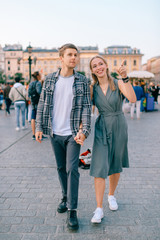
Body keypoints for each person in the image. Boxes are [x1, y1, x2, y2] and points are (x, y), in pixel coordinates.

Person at [35, 43, 91, 230]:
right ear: (61, 58)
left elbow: (85, 107)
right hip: (54, 131)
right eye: (70, 54)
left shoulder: (82, 80)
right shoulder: (50, 79)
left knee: (72, 169)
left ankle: (72, 210)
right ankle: (65, 196)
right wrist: (38, 127)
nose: (74, 57)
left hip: (73, 133)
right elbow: (42, 104)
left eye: (76, 54)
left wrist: (84, 131)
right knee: (60, 167)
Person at [89, 55, 136, 224]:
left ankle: (111, 195)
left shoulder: (117, 82)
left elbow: (132, 99)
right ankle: (99, 208)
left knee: (115, 164)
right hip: (102, 127)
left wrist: (125, 77)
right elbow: (85, 108)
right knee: (99, 166)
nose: (99, 67)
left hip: (118, 124)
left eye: (100, 64)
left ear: (106, 65)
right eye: (95, 66)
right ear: (92, 70)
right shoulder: (91, 88)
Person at [28, 71, 42, 140]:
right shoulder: (38, 83)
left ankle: (33, 134)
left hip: (33, 101)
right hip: (38, 102)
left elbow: (28, 93)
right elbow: (39, 92)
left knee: (33, 117)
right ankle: (39, 134)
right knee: (39, 117)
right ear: (38, 76)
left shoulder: (30, 83)